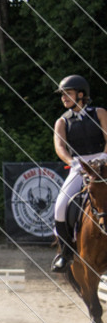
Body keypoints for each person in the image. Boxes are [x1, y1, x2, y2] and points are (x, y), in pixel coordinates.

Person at [51, 74, 107, 272]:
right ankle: (65, 254)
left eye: (68, 93)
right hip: (79, 166)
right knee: (60, 206)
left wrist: (104, 156)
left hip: (104, 161)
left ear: (81, 94)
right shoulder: (62, 122)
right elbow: (60, 147)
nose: (64, 97)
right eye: (62, 94)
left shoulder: (99, 113)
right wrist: (72, 162)